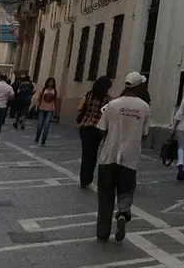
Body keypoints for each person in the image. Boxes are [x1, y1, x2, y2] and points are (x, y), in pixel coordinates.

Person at [95, 73, 152, 243]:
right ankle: (122, 213)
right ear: (138, 86)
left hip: (108, 156)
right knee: (126, 191)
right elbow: (145, 134)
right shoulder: (144, 107)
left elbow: (101, 129)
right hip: (129, 158)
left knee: (105, 195)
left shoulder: (112, 105)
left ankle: (103, 231)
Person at [77, 76, 112, 188]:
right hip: (97, 128)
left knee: (86, 153)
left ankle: (84, 178)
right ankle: (88, 177)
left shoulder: (88, 95)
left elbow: (79, 108)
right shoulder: (108, 99)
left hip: (85, 126)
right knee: (93, 153)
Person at [33, 77, 59, 145]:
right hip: (42, 108)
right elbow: (39, 98)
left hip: (50, 109)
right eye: (49, 81)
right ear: (47, 82)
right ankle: (37, 137)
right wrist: (36, 106)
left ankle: (43, 140)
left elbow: (55, 101)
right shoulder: (43, 89)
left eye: (52, 82)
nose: (51, 83)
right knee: (40, 125)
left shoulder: (54, 91)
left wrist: (56, 110)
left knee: (46, 125)